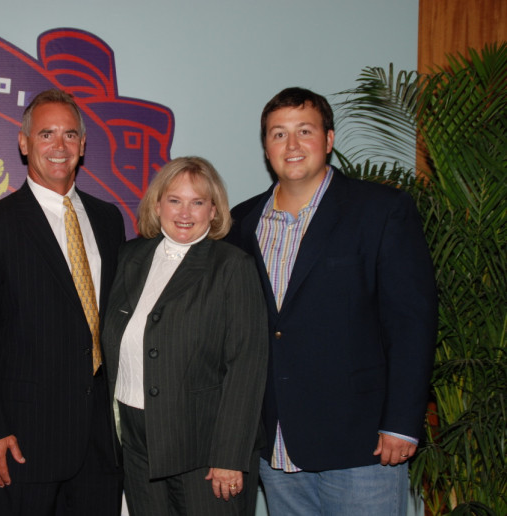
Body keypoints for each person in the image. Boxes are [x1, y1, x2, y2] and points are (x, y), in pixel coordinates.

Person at [226, 87, 438, 515]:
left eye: (304, 131)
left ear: (329, 139)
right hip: (277, 446)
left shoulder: (381, 210)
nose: (292, 144)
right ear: (266, 147)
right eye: (278, 134)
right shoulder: (241, 223)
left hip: (362, 444)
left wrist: (401, 423)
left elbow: (411, 323)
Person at [0, 89, 126, 515]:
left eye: (70, 135)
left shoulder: (108, 219)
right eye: (46, 134)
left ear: (83, 145)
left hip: (101, 444)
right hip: (22, 443)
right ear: (23, 142)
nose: (59, 146)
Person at [102, 156, 268, 515]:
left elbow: (246, 367)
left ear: (213, 210)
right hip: (135, 441)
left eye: (198, 202)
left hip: (204, 450)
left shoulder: (232, 266)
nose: (184, 213)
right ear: (157, 205)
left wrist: (229, 457)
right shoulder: (130, 256)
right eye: (175, 200)